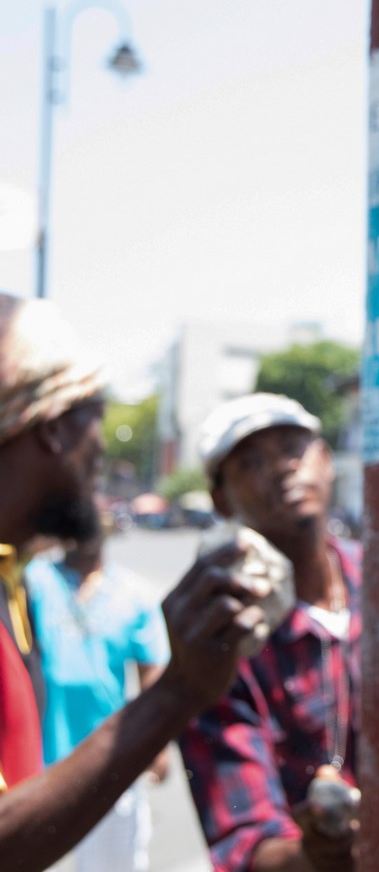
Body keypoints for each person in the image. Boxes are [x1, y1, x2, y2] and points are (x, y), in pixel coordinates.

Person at [0, 292, 267, 872]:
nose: (102, 444)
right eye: (95, 413)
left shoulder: (13, 577)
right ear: (53, 427)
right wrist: (177, 693)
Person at [179, 392, 360, 872]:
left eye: (292, 450)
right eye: (253, 463)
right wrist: (312, 853)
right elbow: (244, 838)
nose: (281, 470)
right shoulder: (223, 638)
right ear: (221, 499)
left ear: (325, 460)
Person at [24, 498, 171, 872]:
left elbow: (151, 674)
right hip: (42, 757)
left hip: (109, 760)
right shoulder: (36, 579)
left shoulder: (132, 594)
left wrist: (157, 745)